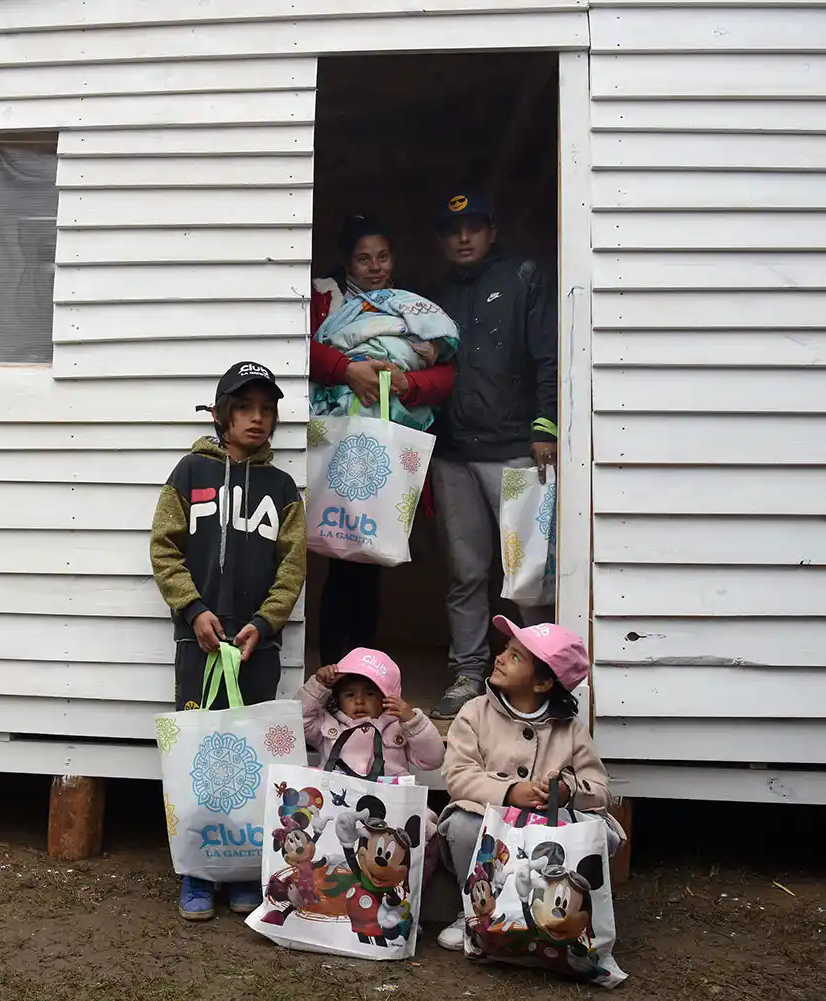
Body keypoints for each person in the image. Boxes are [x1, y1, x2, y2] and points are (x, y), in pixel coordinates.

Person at [149, 360, 307, 922]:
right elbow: (164, 548)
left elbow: (292, 567)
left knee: (251, 757)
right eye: (245, 409)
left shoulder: (282, 488)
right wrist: (192, 610)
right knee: (199, 758)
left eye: (267, 410)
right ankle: (195, 872)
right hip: (201, 645)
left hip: (254, 648)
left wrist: (265, 623)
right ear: (220, 415)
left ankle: (242, 872)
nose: (258, 419)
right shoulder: (189, 474)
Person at [426, 193, 559, 720]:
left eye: (473, 227)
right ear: (442, 240)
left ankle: (538, 678)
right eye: (453, 229)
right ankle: (468, 675)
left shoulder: (525, 276)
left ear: (491, 231)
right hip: (453, 453)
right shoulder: (433, 299)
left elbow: (549, 354)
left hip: (514, 449)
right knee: (465, 573)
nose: (464, 237)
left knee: (527, 575)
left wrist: (545, 426)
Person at [309, 217, 457, 664]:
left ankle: (360, 673)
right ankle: (338, 669)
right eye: (363, 258)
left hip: (388, 441)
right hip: (337, 438)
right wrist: (345, 369)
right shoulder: (324, 299)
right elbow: (295, 344)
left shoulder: (413, 309)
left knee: (368, 560)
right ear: (347, 262)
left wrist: (410, 386)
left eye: (383, 257)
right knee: (341, 557)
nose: (375, 267)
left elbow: (447, 373)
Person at [430, 616, 620, 951]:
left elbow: (600, 788)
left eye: (516, 656)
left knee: (599, 831)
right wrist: (508, 792)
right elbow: (458, 774)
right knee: (461, 824)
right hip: (494, 824)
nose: (500, 657)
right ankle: (474, 908)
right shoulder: (474, 713)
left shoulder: (570, 728)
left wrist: (567, 791)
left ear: (543, 684)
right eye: (505, 649)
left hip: (548, 830)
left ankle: (564, 915)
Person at [299, 646, 446, 781]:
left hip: (390, 803)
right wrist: (318, 686)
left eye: (369, 694)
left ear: (386, 697)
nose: (359, 701)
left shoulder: (399, 727)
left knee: (423, 811)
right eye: (349, 695)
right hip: (336, 801)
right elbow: (298, 723)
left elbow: (433, 760)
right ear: (337, 698)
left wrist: (414, 722)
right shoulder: (328, 723)